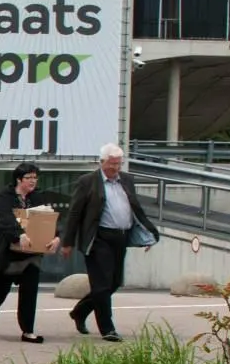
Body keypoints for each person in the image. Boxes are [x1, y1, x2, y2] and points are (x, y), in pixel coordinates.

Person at [60, 143, 158, 342]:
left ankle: (80, 311)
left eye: (118, 164)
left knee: (113, 282)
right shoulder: (88, 182)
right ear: (102, 162)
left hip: (120, 237)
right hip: (98, 238)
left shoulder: (127, 180)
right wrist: (67, 241)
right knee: (102, 284)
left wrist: (150, 234)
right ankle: (107, 328)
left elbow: (137, 209)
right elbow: (75, 212)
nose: (115, 168)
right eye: (112, 164)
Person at [0, 162, 58, 343]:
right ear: (19, 179)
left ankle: (28, 331)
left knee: (30, 291)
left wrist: (55, 237)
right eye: (29, 178)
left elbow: (46, 220)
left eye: (35, 177)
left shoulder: (38, 197)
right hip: (8, 251)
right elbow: (5, 219)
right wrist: (19, 235)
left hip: (31, 253)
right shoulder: (6, 195)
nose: (33, 181)